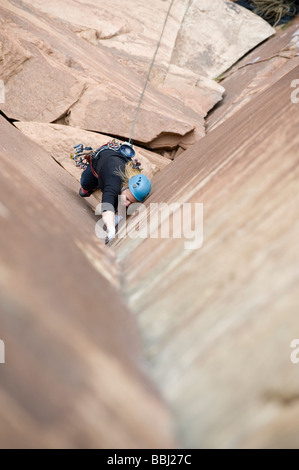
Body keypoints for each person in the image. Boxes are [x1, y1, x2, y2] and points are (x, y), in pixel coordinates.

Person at [78, 141, 152, 244]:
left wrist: (117, 218)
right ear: (125, 186)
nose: (127, 204)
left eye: (131, 202)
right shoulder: (113, 181)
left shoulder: (132, 179)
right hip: (101, 159)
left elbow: (121, 205)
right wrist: (111, 228)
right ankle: (92, 187)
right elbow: (107, 207)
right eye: (128, 199)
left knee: (119, 199)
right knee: (85, 185)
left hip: (119, 160)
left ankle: (106, 186)